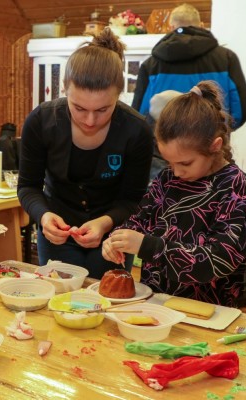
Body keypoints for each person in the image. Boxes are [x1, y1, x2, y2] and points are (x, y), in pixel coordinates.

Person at [102, 81, 246, 307]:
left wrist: (147, 246)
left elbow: (220, 259)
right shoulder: (168, 178)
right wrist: (118, 239)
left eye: (185, 162)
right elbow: (140, 220)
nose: (176, 171)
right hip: (156, 301)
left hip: (209, 310)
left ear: (215, 146)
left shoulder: (234, 186)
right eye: (169, 162)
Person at [18, 28, 154, 280]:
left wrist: (104, 222)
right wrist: (44, 215)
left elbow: (133, 199)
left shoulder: (136, 130)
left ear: (118, 95)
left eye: (103, 109)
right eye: (79, 108)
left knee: (109, 303)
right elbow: (28, 186)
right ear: (64, 89)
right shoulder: (41, 121)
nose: (90, 120)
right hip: (58, 234)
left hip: (112, 239)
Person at [131, 3, 246, 130]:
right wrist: (220, 131)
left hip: (164, 145)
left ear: (171, 27)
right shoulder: (227, 59)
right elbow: (242, 110)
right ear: (201, 26)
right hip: (211, 144)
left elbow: (138, 113)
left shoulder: (150, 65)